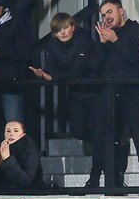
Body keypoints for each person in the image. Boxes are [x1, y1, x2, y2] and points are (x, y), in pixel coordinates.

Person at [29, 13, 102, 183]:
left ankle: (99, 166)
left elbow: (79, 69)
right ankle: (105, 144)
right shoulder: (52, 45)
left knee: (99, 132)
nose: (62, 32)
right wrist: (48, 75)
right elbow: (49, 69)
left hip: (95, 92)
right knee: (77, 130)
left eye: (65, 27)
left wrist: (53, 77)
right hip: (76, 93)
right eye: (58, 30)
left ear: (73, 27)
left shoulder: (83, 39)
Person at [93, 0, 139, 187]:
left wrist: (116, 40)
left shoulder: (136, 30)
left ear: (121, 11)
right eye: (104, 14)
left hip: (136, 96)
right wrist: (103, 43)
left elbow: (135, 57)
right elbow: (95, 65)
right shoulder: (105, 35)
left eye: (110, 12)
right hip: (112, 97)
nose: (107, 17)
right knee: (110, 143)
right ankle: (113, 186)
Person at [0, 120, 44, 189]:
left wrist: (8, 159)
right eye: (8, 131)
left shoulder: (30, 150)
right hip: (3, 196)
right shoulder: (0, 148)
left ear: (23, 134)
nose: (11, 134)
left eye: (16, 131)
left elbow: (26, 181)